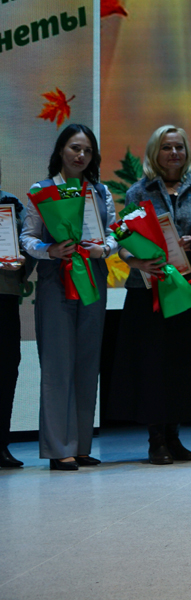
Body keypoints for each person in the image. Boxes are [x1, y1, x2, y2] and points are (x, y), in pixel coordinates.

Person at [108, 126, 191, 464]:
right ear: (155, 152)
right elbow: (123, 241)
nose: (174, 153)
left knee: (181, 365)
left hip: (188, 287)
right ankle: (156, 440)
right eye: (167, 147)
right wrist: (136, 260)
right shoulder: (138, 192)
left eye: (179, 147)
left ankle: (174, 436)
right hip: (148, 289)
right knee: (152, 365)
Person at [20, 124, 117, 470]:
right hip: (55, 281)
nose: (81, 155)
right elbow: (27, 238)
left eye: (88, 150)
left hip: (93, 279)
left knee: (88, 363)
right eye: (75, 148)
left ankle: (82, 445)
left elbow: (113, 234)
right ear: (61, 150)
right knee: (57, 364)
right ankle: (59, 447)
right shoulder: (42, 190)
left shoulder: (100, 191)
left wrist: (105, 248)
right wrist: (50, 250)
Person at [1, 157, 31, 469]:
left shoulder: (11, 204)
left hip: (4, 296)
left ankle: (1, 444)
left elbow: (27, 244)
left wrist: (23, 259)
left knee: (6, 369)